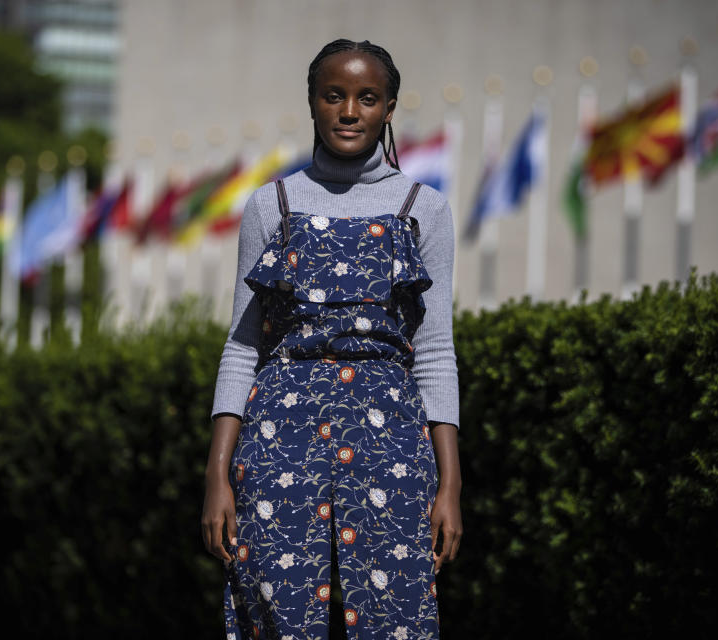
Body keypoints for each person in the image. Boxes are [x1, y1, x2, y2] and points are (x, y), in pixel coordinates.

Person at [202, 38, 462, 639]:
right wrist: (218, 473)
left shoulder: (427, 209)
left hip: (392, 435)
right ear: (313, 103)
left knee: (396, 615)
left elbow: (436, 352)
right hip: (278, 438)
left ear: (389, 108)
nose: (349, 111)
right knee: (276, 611)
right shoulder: (273, 206)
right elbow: (243, 348)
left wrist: (450, 485)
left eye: (367, 98)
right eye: (334, 96)